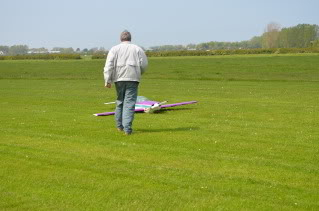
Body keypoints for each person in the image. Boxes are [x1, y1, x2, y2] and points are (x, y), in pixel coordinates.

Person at [103, 30, 148, 135]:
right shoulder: (137, 49)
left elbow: (108, 65)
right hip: (133, 78)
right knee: (129, 103)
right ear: (130, 38)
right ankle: (127, 129)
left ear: (121, 38)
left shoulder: (114, 49)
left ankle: (119, 126)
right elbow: (144, 64)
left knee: (120, 102)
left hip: (118, 79)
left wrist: (107, 80)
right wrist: (139, 72)